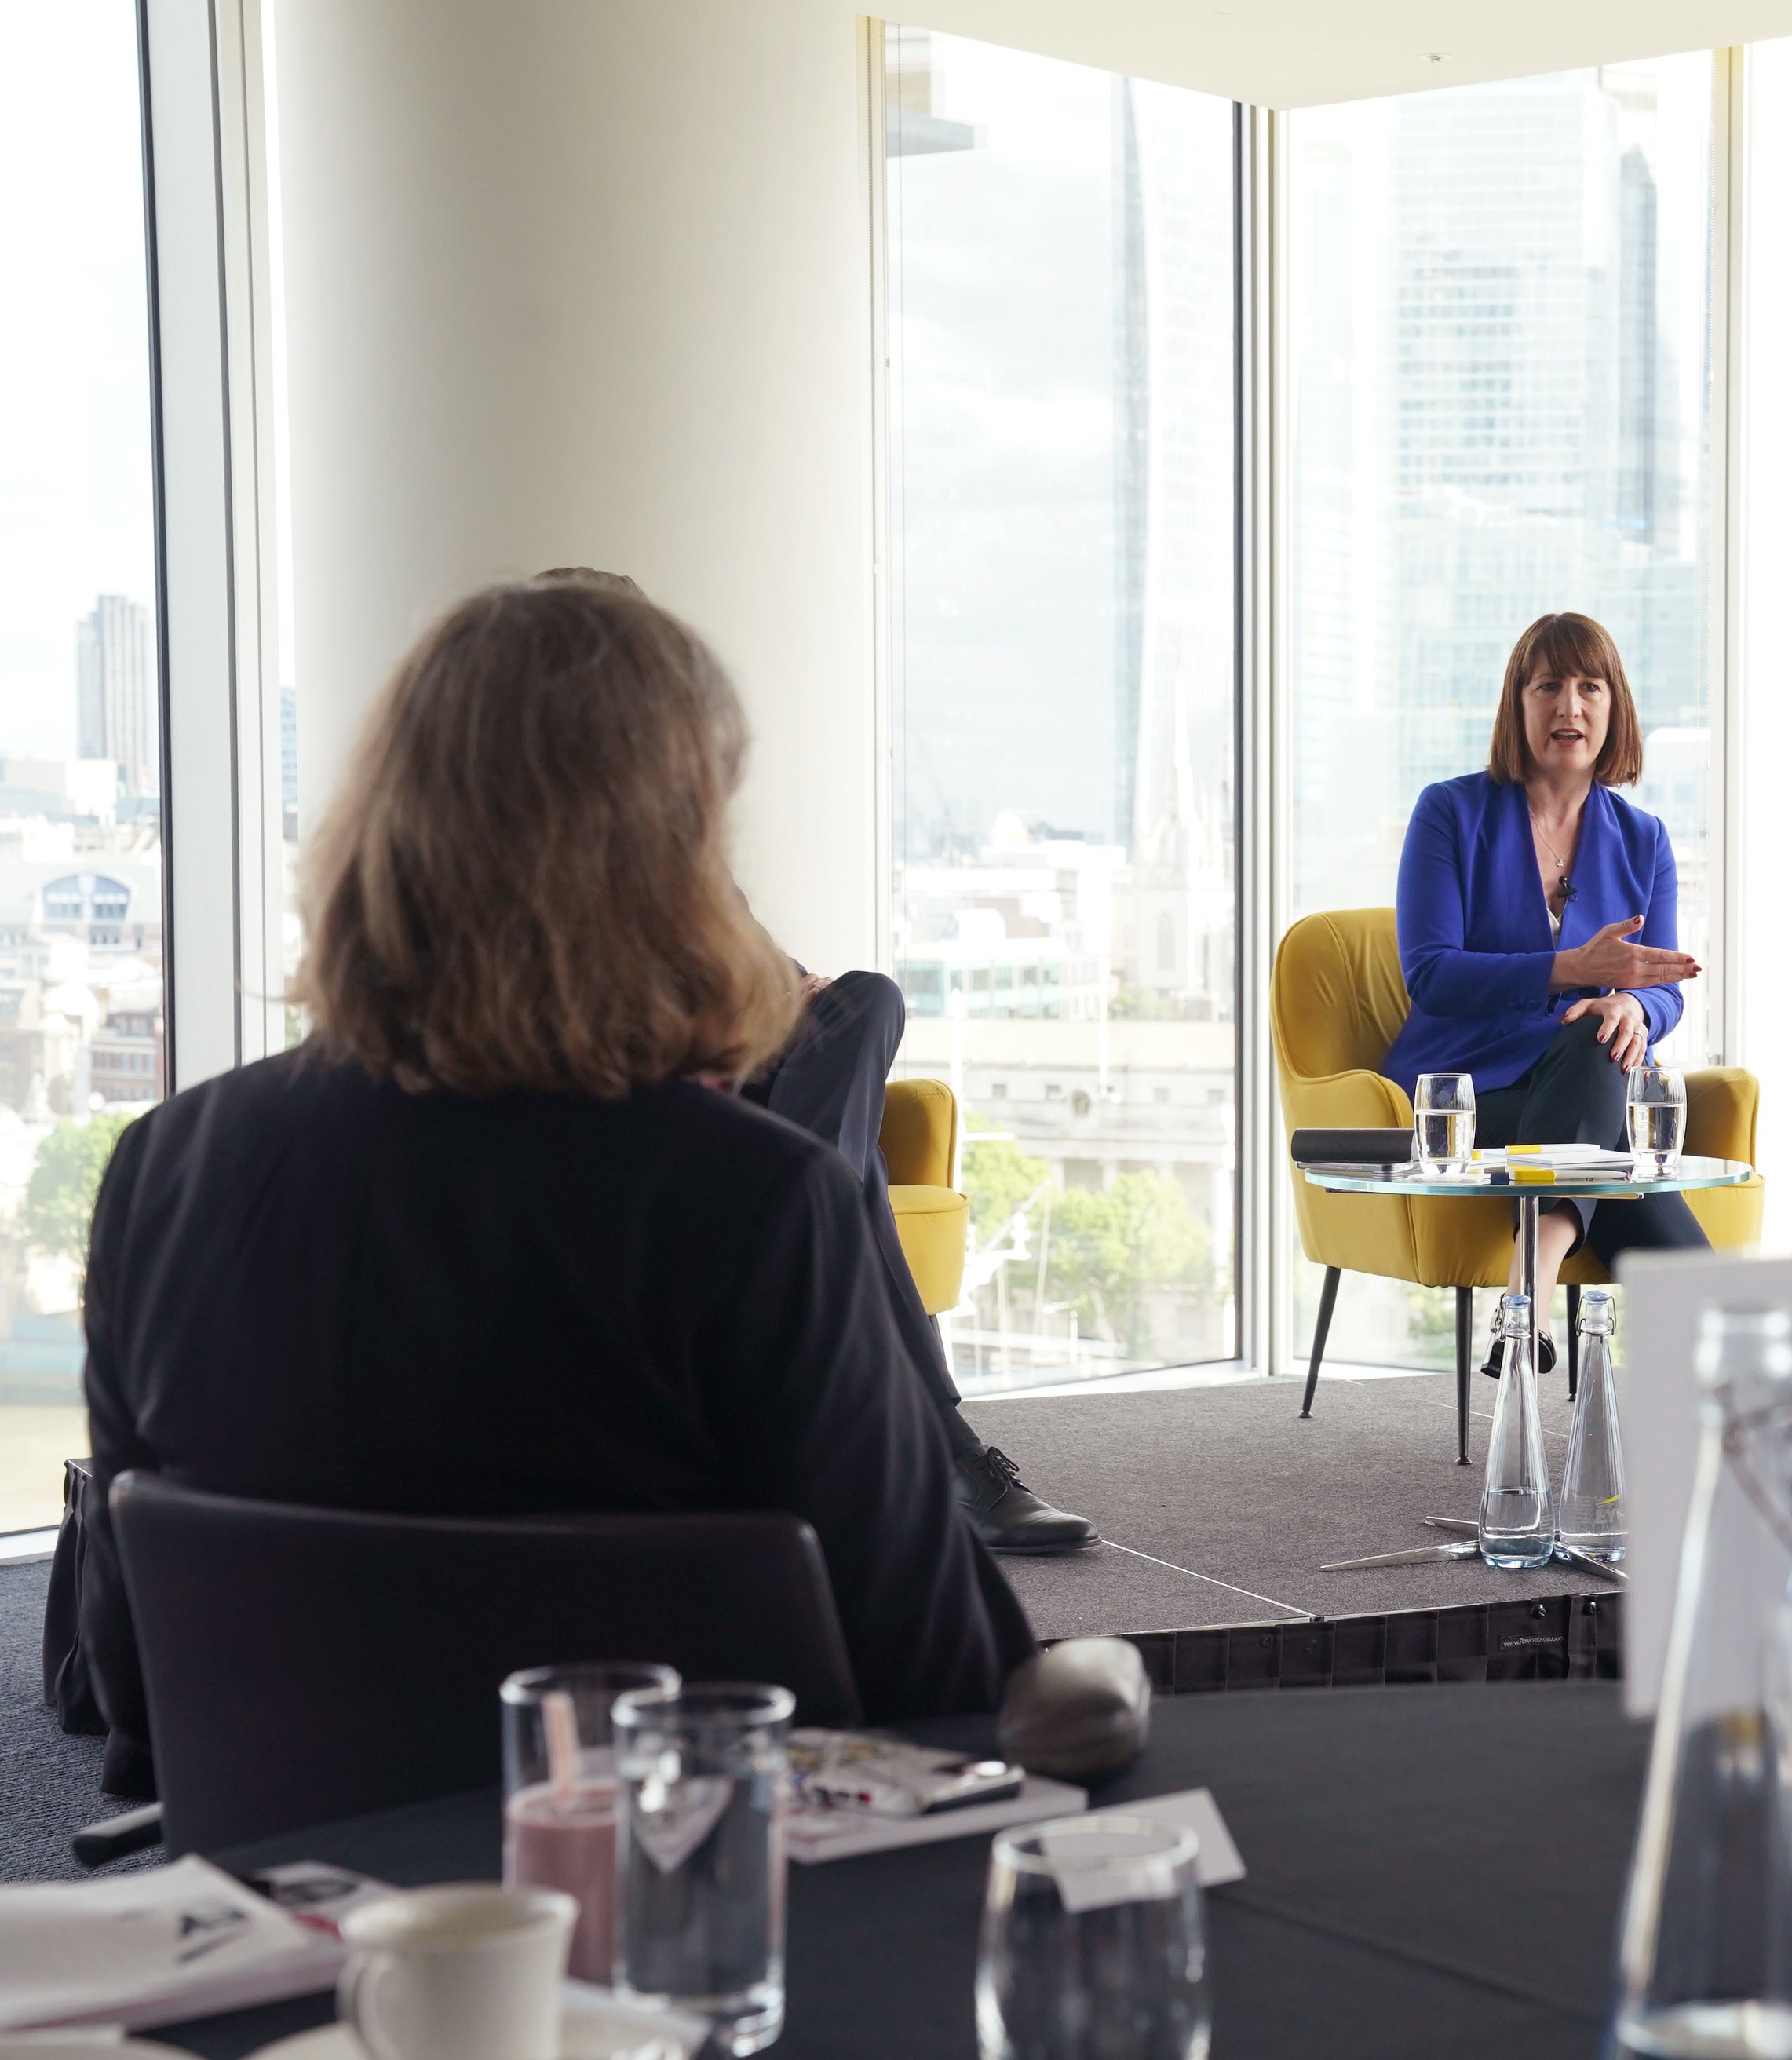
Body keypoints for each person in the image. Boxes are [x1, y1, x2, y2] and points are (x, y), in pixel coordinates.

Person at [72, 577, 1035, 1796]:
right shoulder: (757, 1206)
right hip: (703, 1934)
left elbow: (135, 1690)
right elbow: (942, 1693)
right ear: (673, 857)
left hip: (313, 1934)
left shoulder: (164, 1166)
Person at [532, 570, 1090, 1554]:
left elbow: (755, 969)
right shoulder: (514, 845)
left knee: (863, 998)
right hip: (639, 1092)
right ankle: (951, 1452)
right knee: (845, 1174)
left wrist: (786, 988)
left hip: (734, 1081)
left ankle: (803, 1209)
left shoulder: (677, 839)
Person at [1385, 612, 1709, 1323]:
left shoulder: (1643, 839)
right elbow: (1431, 974)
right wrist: (1570, 970)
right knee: (1607, 1099)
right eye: (1548, 687)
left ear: (1613, 708)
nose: (1570, 706)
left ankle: (1526, 1289)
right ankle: (1734, 1362)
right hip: (1469, 1101)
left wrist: (1634, 1008)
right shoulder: (1449, 812)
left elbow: (1665, 987)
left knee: (1601, 1045)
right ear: (1518, 705)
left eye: (1591, 687)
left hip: (1581, 1090)